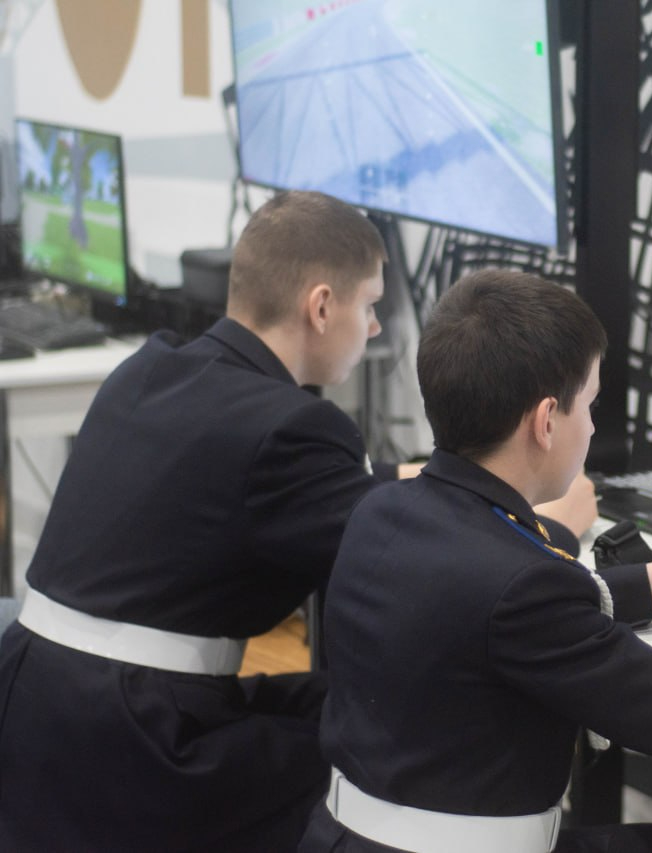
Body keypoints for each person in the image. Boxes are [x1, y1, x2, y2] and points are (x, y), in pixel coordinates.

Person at [0, 192, 590, 852]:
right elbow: (414, 563)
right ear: (321, 306)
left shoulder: (154, 365)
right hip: (136, 744)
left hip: (32, 698)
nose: (375, 328)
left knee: (330, 701)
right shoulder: (296, 428)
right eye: (370, 307)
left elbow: (307, 485)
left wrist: (425, 476)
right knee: (379, 748)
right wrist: (549, 525)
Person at [300, 269, 652, 853]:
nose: (593, 424)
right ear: (545, 422)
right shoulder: (520, 584)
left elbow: (505, 615)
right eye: (590, 404)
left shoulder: (383, 510)